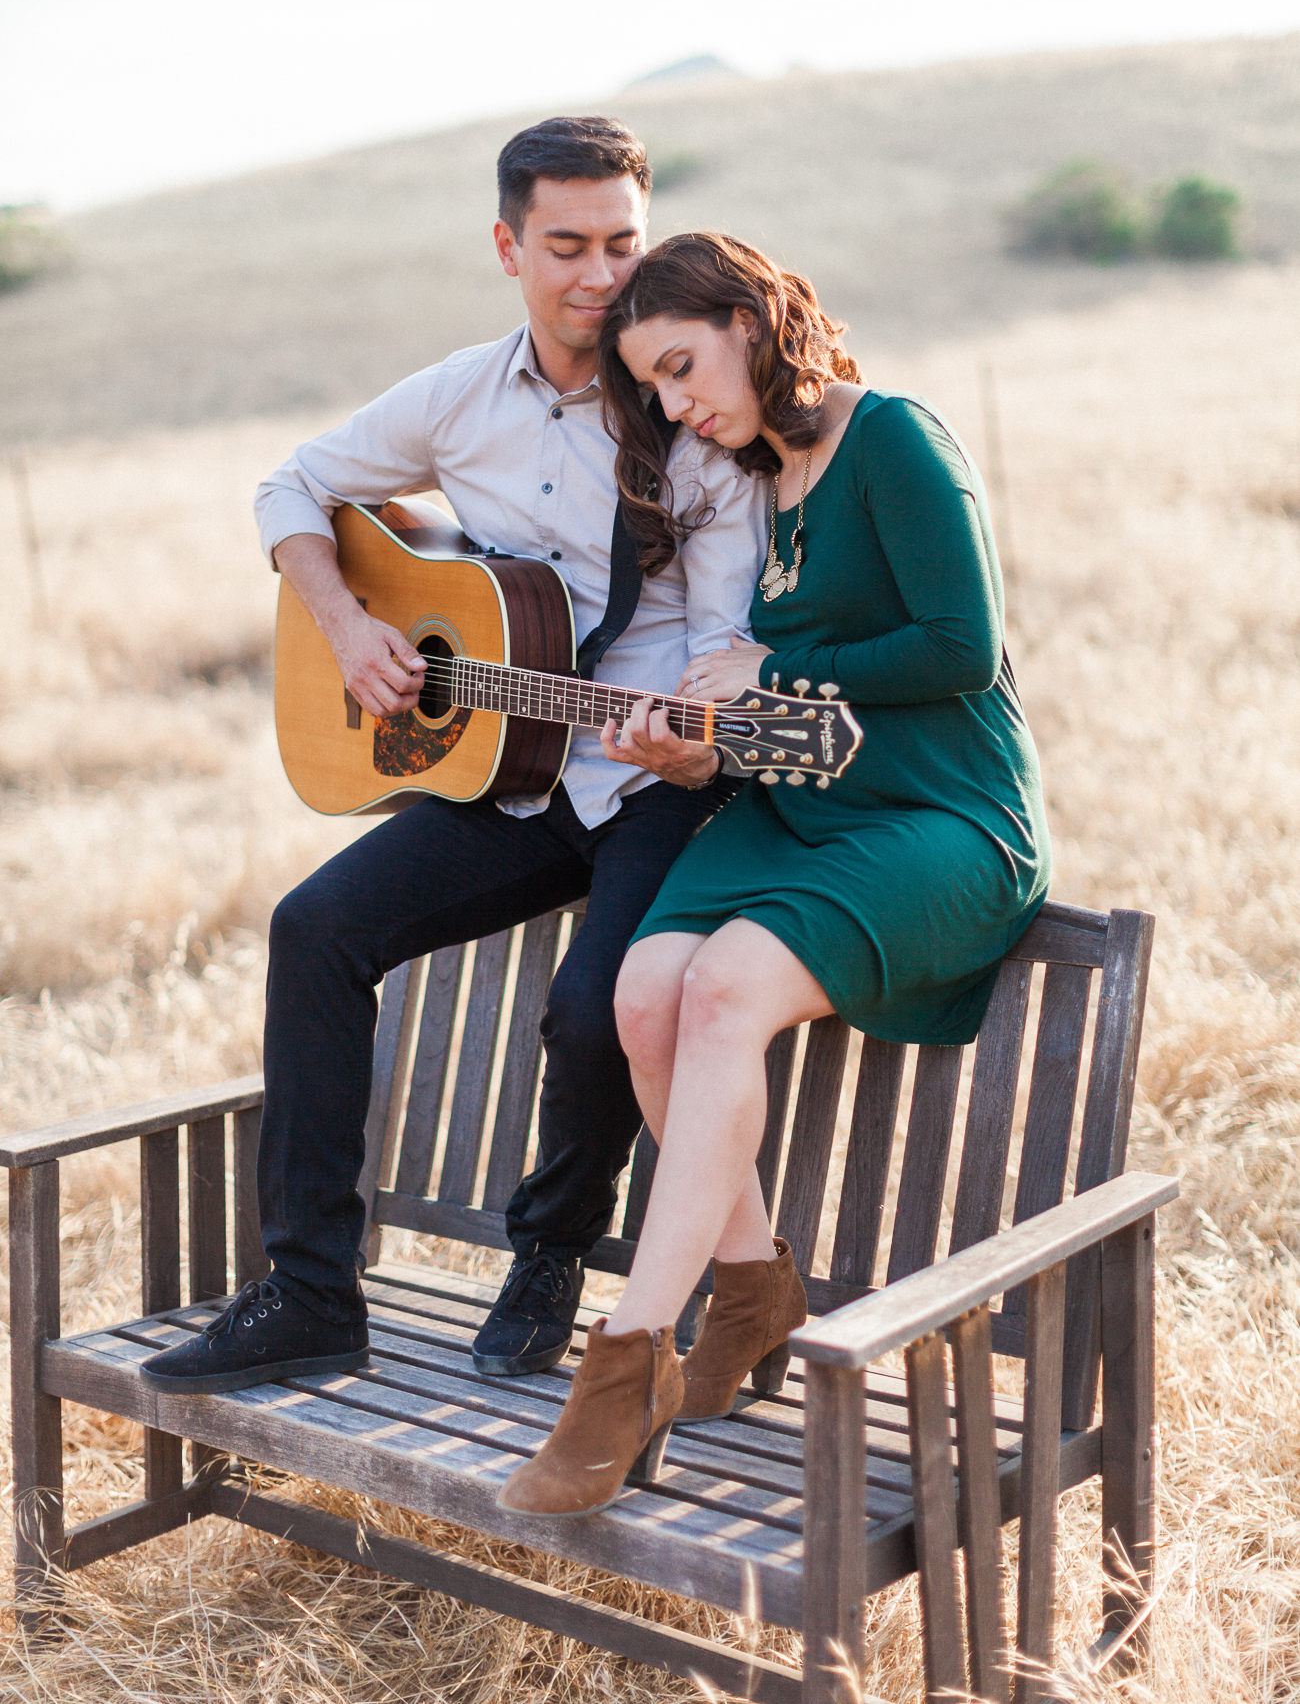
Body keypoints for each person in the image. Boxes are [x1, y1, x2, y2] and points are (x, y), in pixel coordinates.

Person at [142, 124, 766, 1398]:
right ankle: (312, 1293)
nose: (599, 277)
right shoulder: (459, 397)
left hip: (654, 781)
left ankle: (549, 1254)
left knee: (596, 1007)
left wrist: (696, 739)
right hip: (513, 770)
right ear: (507, 247)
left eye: (622, 244)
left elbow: (724, 639)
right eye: (567, 247)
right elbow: (293, 488)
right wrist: (347, 621)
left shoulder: (692, 413)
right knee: (314, 928)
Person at [497, 232, 1052, 1517]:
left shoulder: (894, 438)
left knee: (725, 991)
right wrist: (694, 738)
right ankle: (752, 1288)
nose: (680, 404)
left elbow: (961, 648)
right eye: (657, 389)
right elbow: (772, 705)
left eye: (685, 367)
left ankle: (627, 1354)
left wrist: (773, 680)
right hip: (798, 810)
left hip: (941, 817)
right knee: (644, 994)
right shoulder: (760, 475)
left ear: (751, 323)